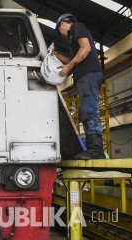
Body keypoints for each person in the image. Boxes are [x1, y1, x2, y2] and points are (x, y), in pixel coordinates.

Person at [53, 13, 105, 159]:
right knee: (86, 111)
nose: (62, 35)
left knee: (89, 111)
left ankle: (96, 150)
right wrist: (56, 55)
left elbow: (85, 49)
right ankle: (93, 148)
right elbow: (73, 58)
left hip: (89, 75)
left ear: (62, 24)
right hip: (85, 76)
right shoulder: (74, 37)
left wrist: (68, 68)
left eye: (60, 32)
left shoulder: (76, 27)